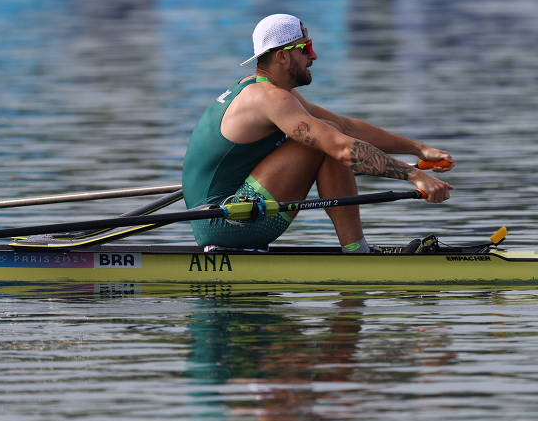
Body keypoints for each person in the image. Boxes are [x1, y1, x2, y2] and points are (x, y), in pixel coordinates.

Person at [181, 13, 454, 253]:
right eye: (306, 48)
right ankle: (356, 253)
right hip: (226, 222)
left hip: (222, 216)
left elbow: (346, 126)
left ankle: (356, 250)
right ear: (283, 56)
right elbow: (343, 147)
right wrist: (415, 176)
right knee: (324, 142)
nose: (314, 56)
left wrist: (418, 149)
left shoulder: (263, 91)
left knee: (330, 133)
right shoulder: (270, 98)